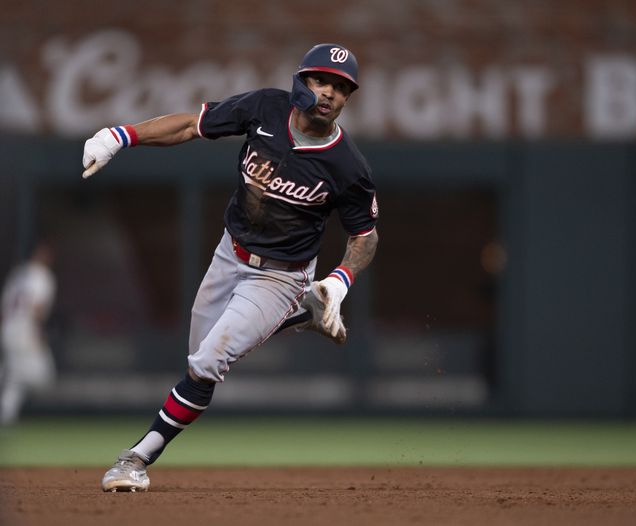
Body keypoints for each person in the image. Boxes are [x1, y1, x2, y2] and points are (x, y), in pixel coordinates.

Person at [81, 43, 379, 492]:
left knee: (207, 363)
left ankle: (136, 459)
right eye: (321, 80)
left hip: (281, 274)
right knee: (198, 359)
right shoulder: (264, 108)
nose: (329, 93)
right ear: (301, 80)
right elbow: (190, 125)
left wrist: (340, 281)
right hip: (230, 253)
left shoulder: (347, 165)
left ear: (347, 99)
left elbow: (366, 235)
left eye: (341, 88)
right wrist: (120, 136)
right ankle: (305, 314)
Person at [0, 241, 57, 425]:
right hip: (25, 330)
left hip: (8, 329)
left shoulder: (18, 274)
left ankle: (6, 413)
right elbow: (36, 308)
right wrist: (36, 332)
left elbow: (5, 306)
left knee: (16, 377)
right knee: (42, 375)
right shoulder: (42, 276)